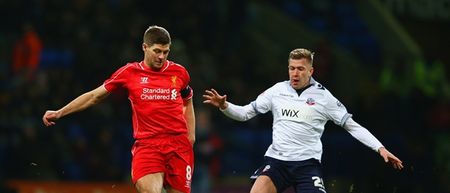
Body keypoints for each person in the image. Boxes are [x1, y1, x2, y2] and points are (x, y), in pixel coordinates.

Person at [203, 48, 403, 193]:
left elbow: (352, 126)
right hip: (277, 162)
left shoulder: (324, 97)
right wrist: (224, 106)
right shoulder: (277, 90)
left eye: (300, 68)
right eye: (291, 68)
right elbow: (245, 113)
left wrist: (380, 148)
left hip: (307, 165)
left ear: (311, 71)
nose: (295, 73)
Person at [42, 25, 196, 193]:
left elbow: (187, 100)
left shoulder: (179, 73)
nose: (161, 57)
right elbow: (94, 96)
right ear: (144, 47)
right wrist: (60, 112)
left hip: (179, 146)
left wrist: (191, 135)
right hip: (149, 146)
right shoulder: (130, 72)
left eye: (166, 52)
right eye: (157, 51)